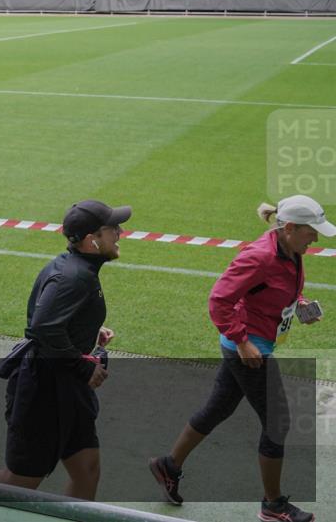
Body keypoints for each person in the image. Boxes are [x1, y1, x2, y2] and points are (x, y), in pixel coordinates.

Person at [149, 195, 331, 522]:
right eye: (311, 232)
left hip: (252, 344)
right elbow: (219, 299)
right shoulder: (260, 257)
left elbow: (277, 287)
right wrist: (242, 340)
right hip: (248, 351)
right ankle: (273, 506)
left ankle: (168, 465)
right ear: (289, 228)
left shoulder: (289, 249)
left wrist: (299, 303)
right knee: (278, 422)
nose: (315, 238)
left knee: (218, 407)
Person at [0, 199, 131, 500]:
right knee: (19, 482)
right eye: (112, 229)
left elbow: (54, 320)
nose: (120, 232)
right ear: (91, 240)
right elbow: (42, 328)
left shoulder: (77, 268)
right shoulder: (73, 277)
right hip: (44, 393)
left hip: (68, 389)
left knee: (87, 469)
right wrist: (84, 366)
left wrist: (87, 330)